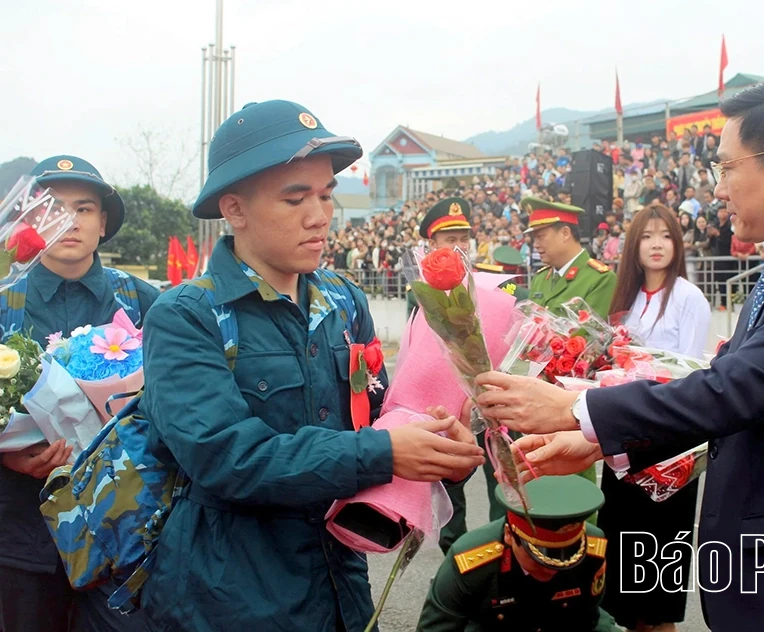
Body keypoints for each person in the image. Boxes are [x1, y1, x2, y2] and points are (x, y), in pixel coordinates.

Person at [476, 78, 764, 632]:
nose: (719, 190)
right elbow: (730, 385)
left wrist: (575, 413)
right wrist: (594, 437)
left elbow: (734, 390)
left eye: (727, 168)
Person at [135, 100, 484, 631]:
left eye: (325, 195)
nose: (319, 215)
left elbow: (383, 413)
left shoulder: (343, 303)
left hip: (340, 585)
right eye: (295, 198)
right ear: (234, 209)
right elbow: (227, 456)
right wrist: (386, 452)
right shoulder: (187, 315)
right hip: (231, 597)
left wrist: (437, 442)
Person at [0, 155, 160, 632]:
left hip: (127, 539)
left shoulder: (145, 301)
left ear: (104, 221)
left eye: (84, 208)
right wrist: (7, 456)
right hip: (23, 541)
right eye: (53, 207)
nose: (69, 221)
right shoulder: (5, 302)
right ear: (28, 221)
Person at [597, 202, 710, 632]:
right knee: (623, 587)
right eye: (647, 236)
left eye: (665, 235)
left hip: (669, 454)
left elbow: (691, 378)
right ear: (634, 246)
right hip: (624, 448)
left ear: (677, 243)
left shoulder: (688, 297)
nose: (657, 244)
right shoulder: (623, 300)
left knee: (658, 591)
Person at [402, 196, 521, 554]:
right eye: (449, 237)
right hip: (448, 404)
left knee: (504, 476)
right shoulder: (419, 293)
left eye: (464, 236)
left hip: (493, 395)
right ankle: (457, 554)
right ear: (432, 244)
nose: (459, 244)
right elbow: (418, 351)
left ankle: (506, 546)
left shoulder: (493, 283)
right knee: (450, 475)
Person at [415, 475, 618, 632]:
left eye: (564, 557)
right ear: (509, 535)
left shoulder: (592, 548)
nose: (551, 569)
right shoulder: (470, 562)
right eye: (540, 558)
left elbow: (589, 619)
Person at [522, 196, 616, 491]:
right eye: (533, 237)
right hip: (534, 392)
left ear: (565, 232)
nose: (536, 244)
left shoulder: (599, 277)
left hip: (568, 395)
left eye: (541, 235)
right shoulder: (541, 278)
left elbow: (589, 341)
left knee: (572, 486)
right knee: (534, 479)